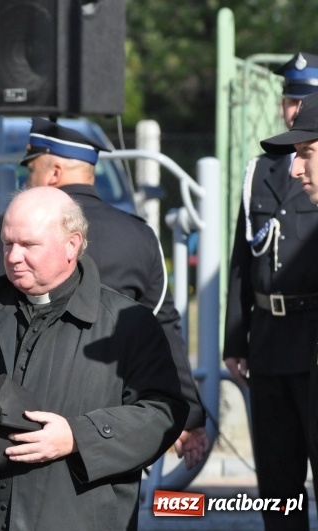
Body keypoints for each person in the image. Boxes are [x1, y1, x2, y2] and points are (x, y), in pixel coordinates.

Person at [0, 186, 188, 531]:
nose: (13, 256)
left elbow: (162, 413)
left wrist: (78, 437)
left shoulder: (127, 325)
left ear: (71, 246)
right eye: (7, 243)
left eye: (29, 245)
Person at [0, 118, 208, 468]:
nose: (28, 181)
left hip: (25, 422)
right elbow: (162, 324)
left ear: (54, 172)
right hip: (111, 421)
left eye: (32, 170)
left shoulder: (13, 231)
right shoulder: (139, 234)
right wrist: (189, 415)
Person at [224, 52, 318, 531]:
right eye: (289, 100)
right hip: (268, 340)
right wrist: (234, 339)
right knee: (277, 487)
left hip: (309, 333)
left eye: (304, 100)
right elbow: (244, 260)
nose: (294, 110)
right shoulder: (259, 171)